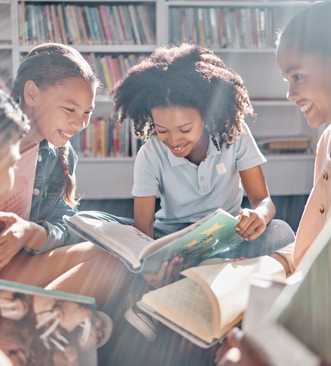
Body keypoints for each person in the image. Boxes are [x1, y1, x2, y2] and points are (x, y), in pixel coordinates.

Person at [112, 43, 294, 285]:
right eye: (162, 130)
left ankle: (205, 272)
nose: (174, 141)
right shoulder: (150, 153)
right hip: (173, 240)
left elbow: (263, 200)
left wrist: (259, 215)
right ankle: (215, 272)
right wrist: (150, 267)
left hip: (228, 235)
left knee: (280, 232)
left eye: (185, 129)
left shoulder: (234, 135)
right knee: (113, 237)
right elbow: (142, 229)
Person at [215, 1, 331, 364]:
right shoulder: (327, 141)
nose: (290, 93)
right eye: (286, 80)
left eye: (297, 76)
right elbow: (312, 228)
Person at [0, 43, 127, 307]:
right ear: (32, 93)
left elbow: (64, 223)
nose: (80, 124)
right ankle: (27, 318)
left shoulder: (60, 155)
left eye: (87, 113)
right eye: (70, 110)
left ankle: (30, 318)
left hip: (15, 264)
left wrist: (30, 232)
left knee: (111, 261)